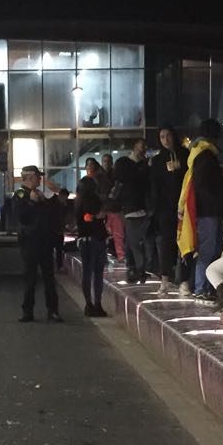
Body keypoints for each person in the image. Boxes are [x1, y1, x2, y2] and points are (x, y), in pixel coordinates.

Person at [186, 118, 223, 298]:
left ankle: (204, 288)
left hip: (206, 210)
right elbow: (205, 186)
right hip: (208, 211)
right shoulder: (206, 156)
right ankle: (202, 289)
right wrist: (219, 200)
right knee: (208, 251)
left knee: (211, 250)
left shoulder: (199, 153)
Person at [14, 165, 65, 323]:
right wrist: (31, 202)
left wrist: (57, 194)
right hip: (30, 242)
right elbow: (20, 216)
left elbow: (54, 211)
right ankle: (27, 311)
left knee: (49, 278)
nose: (40, 179)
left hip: (45, 242)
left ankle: (53, 310)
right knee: (30, 279)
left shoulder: (41, 195)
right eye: (38, 176)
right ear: (29, 177)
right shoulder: (20, 194)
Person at [148, 124, 188, 293]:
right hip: (165, 208)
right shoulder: (157, 160)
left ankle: (185, 280)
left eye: (168, 136)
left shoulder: (185, 155)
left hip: (184, 206)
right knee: (167, 242)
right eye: (162, 137)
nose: (165, 140)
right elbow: (154, 186)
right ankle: (165, 278)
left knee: (185, 242)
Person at [115, 139, 153, 283]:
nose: (143, 148)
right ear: (135, 146)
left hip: (136, 208)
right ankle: (138, 269)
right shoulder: (126, 163)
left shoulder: (143, 165)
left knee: (132, 240)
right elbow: (131, 180)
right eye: (141, 145)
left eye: (145, 146)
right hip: (130, 207)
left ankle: (133, 269)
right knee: (134, 241)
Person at [74, 172, 109, 317]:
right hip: (96, 238)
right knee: (97, 273)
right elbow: (90, 217)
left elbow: (82, 219)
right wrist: (98, 216)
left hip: (85, 240)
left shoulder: (78, 201)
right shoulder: (93, 200)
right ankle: (97, 304)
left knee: (87, 273)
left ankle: (89, 304)